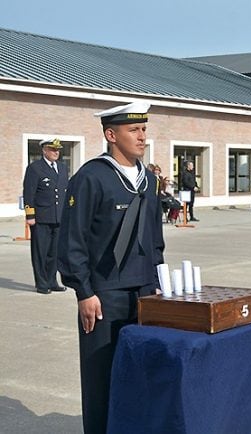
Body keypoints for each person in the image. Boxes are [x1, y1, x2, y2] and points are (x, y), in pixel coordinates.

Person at [58, 101, 165, 434]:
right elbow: (73, 239)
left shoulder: (148, 179)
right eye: (133, 130)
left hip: (145, 290)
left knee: (140, 373)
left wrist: (158, 280)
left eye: (144, 129)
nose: (142, 137)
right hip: (104, 294)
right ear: (111, 135)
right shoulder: (91, 177)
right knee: (101, 375)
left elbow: (155, 238)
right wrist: (84, 291)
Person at [23, 138, 69, 294]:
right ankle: (41, 283)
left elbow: (64, 192)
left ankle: (52, 280)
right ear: (44, 150)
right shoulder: (35, 168)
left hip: (58, 217)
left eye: (58, 150)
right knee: (40, 251)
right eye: (52, 149)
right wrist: (30, 215)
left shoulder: (62, 168)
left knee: (54, 252)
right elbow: (29, 193)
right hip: (41, 217)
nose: (56, 152)